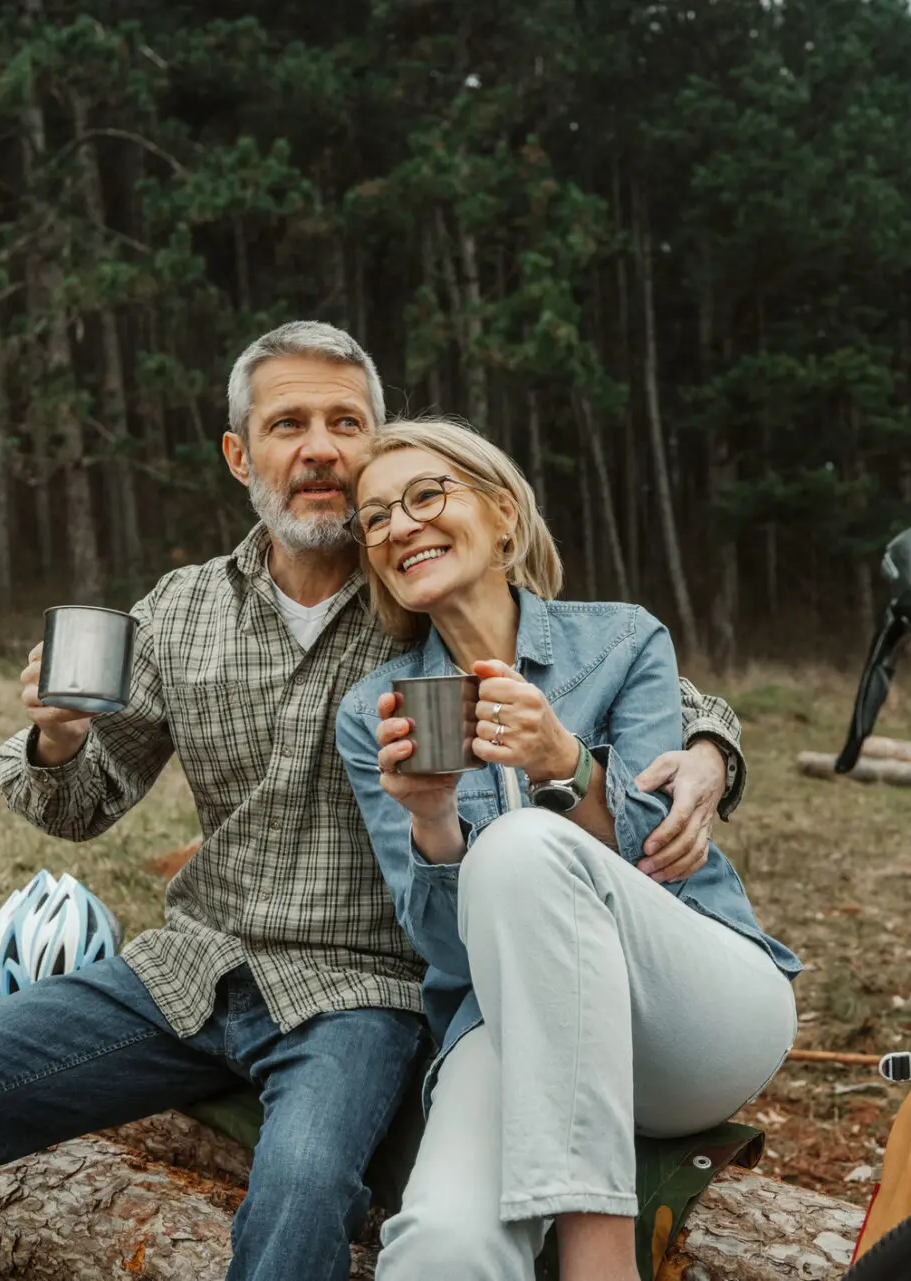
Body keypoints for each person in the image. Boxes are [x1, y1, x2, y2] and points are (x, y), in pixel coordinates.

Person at [0, 323, 750, 1281]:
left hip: (359, 992)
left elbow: (595, 662)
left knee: (302, 1187)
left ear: (380, 445)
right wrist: (57, 738)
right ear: (240, 454)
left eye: (346, 422)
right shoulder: (182, 609)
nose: (319, 447)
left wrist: (712, 743)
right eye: (288, 423)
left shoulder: (422, 581)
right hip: (190, 966)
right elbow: (80, 805)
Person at [334, 418, 801, 1281]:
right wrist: (432, 821)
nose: (399, 526)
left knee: (517, 846)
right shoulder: (375, 713)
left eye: (426, 495)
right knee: (443, 1245)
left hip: (691, 1013)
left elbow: (666, 860)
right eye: (374, 518)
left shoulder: (623, 642)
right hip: (508, 1023)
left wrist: (568, 768)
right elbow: (445, 951)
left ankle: (596, 1251)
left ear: (504, 514)